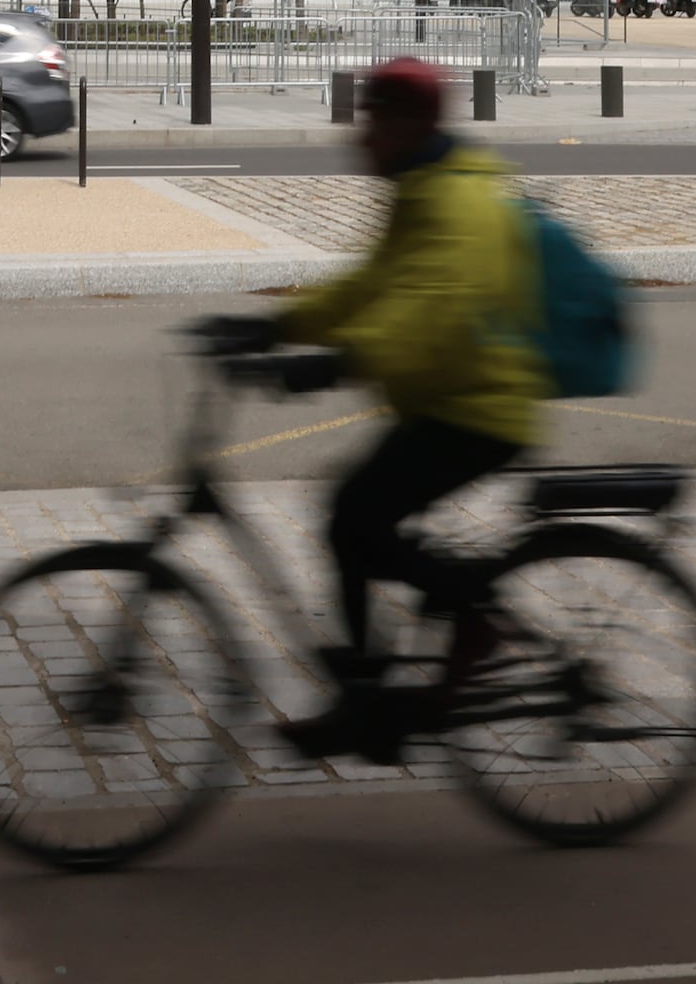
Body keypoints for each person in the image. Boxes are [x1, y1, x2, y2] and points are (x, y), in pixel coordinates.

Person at [213, 56, 541, 764]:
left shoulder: (457, 202)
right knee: (354, 520)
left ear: (411, 125)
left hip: (480, 410)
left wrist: (336, 362)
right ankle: (367, 692)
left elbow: (426, 314)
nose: (362, 137)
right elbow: (373, 287)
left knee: (354, 517)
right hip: (445, 400)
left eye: (375, 120)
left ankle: (471, 621)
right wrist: (276, 327)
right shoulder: (421, 189)